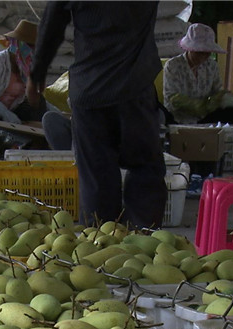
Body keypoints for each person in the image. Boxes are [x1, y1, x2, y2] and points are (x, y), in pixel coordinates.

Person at [27, 1, 166, 229]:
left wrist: (37, 72)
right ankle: (142, 240)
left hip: (90, 90)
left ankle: (98, 242)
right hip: (134, 90)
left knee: (96, 176)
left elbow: (53, 17)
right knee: (145, 169)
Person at [162, 23, 233, 125]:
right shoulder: (173, 65)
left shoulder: (211, 66)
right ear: (190, 49)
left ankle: (222, 133)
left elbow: (217, 91)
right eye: (200, 52)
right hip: (178, 119)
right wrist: (202, 105)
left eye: (207, 52)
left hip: (205, 119)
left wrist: (222, 98)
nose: (204, 56)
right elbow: (173, 99)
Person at [0, 19, 44, 124]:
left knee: (40, 103)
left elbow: (35, 98)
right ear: (17, 44)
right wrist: (4, 113)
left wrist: (59, 115)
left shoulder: (26, 66)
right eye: (29, 46)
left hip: (12, 109)